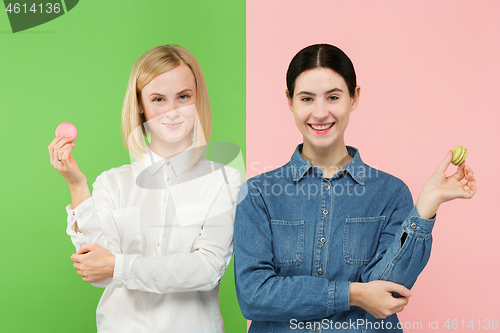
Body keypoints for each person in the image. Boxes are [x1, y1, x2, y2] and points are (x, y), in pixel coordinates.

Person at [234, 44, 476, 332]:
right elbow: (254, 296)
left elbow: (390, 291)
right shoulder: (259, 194)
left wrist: (426, 205)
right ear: (290, 101)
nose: (320, 112)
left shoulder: (391, 193)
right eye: (307, 98)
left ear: (354, 97)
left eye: (333, 97)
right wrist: (354, 293)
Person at [48, 45, 242, 333]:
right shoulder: (111, 183)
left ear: (197, 99)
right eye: (158, 99)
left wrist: (119, 266)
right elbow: (99, 272)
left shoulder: (225, 180)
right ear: (140, 104)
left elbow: (207, 270)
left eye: (183, 97)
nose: (173, 111)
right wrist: (77, 186)